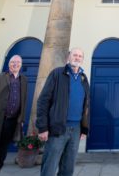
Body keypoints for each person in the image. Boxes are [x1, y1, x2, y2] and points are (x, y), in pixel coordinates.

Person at [36, 48, 90, 176]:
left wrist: (84, 128)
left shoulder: (83, 78)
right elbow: (43, 101)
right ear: (68, 57)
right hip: (58, 127)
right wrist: (43, 127)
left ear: (82, 59)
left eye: (80, 56)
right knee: (50, 166)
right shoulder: (57, 73)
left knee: (68, 167)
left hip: (76, 129)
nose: (77, 58)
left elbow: (86, 104)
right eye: (74, 55)